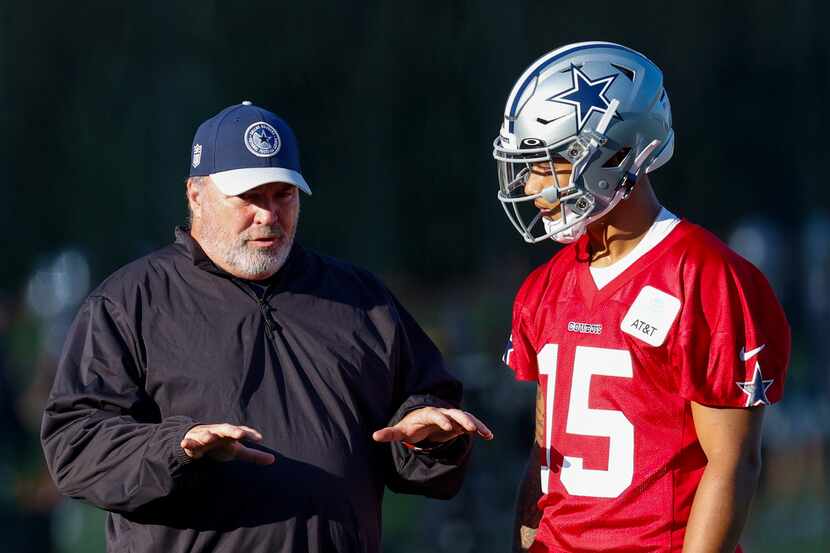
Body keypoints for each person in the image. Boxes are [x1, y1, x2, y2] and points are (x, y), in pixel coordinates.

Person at [41, 101, 493, 553]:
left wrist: (430, 442)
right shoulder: (130, 301)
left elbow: (421, 416)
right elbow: (75, 444)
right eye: (250, 197)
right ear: (196, 195)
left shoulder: (361, 299)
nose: (268, 215)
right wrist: (176, 447)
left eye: (283, 195)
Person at [493, 42, 790, 552]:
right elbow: (544, 455)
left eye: (552, 163)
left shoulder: (707, 277)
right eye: (529, 166)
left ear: (618, 152)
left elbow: (734, 463)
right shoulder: (546, 285)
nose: (535, 186)